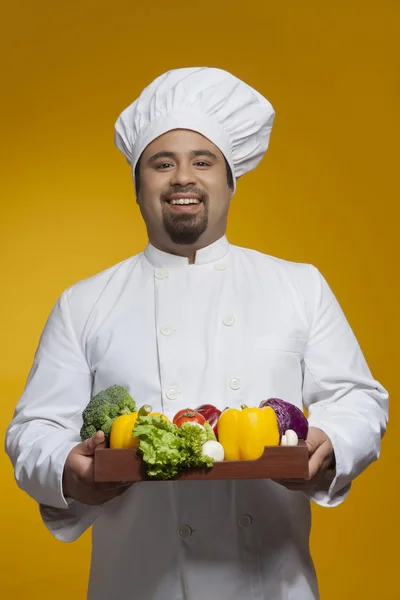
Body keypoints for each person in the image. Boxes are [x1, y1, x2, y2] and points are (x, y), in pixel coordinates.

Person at [5, 67, 388, 600]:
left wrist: (333, 445)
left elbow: (357, 399)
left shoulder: (300, 285)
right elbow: (33, 429)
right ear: (138, 188)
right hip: (137, 585)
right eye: (162, 164)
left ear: (230, 182)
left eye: (203, 161)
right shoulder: (83, 302)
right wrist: (69, 472)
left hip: (271, 585)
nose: (182, 177)